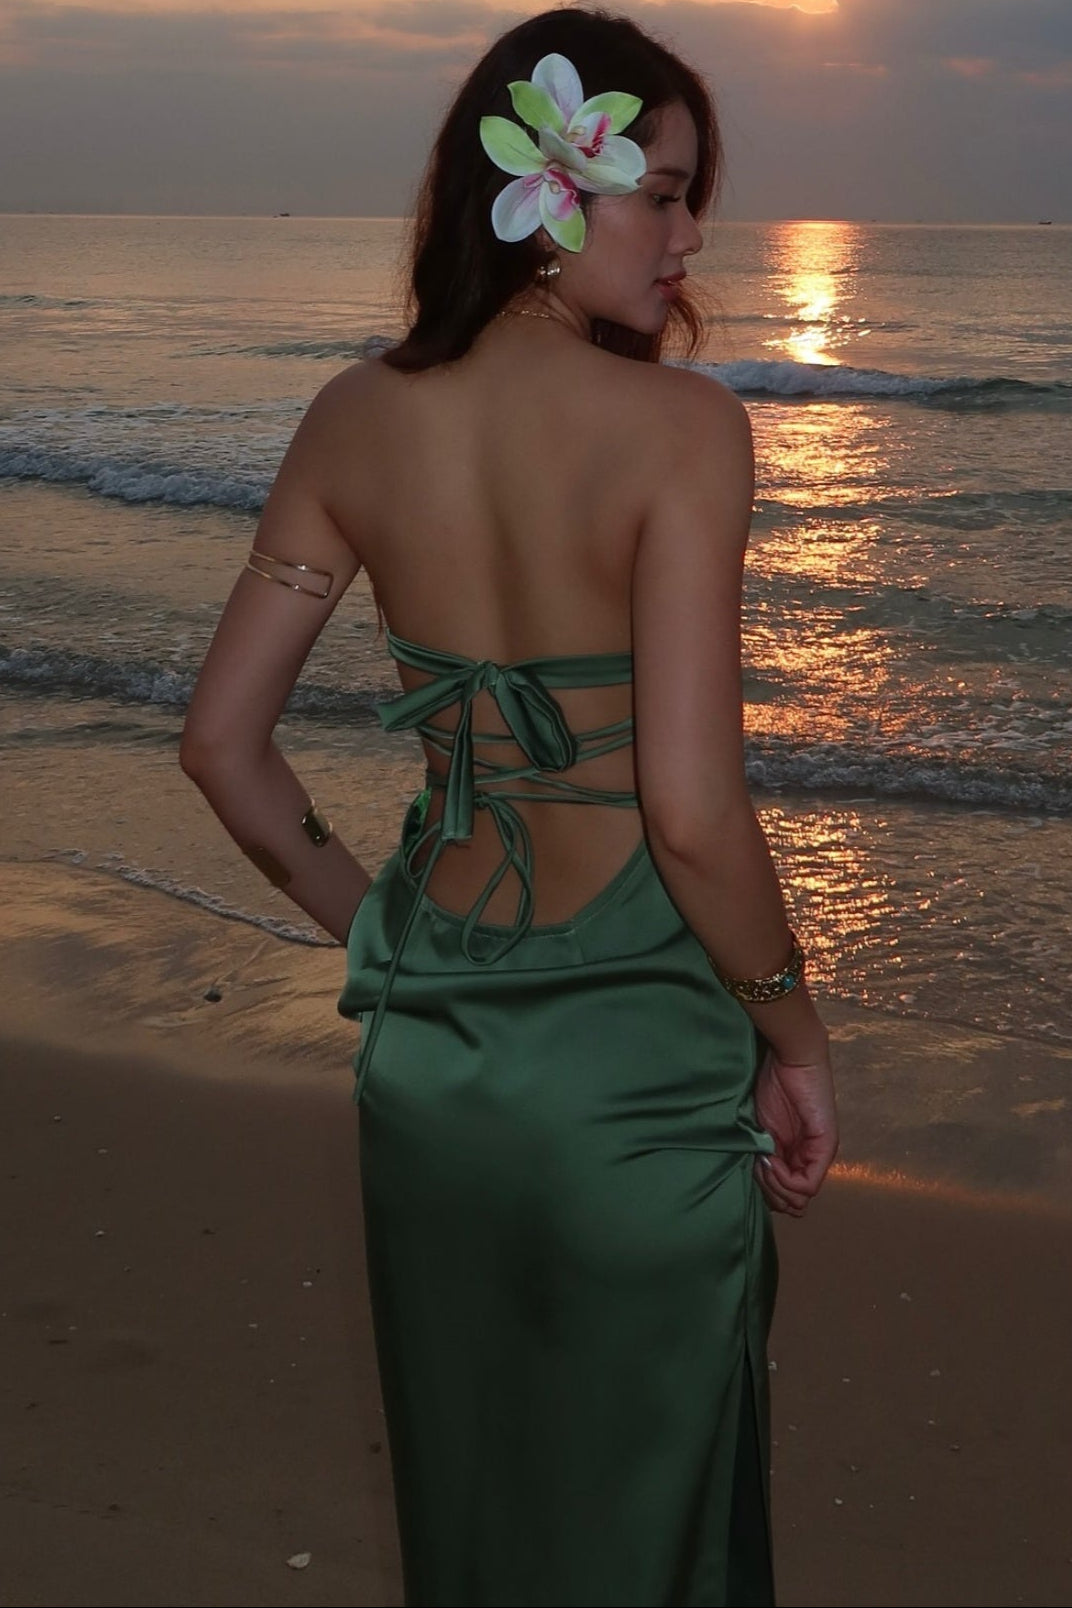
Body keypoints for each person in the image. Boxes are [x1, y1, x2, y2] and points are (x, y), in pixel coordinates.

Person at [180, 7, 838, 1604]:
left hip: (435, 1070)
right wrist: (795, 1033)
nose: (691, 236)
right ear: (551, 196)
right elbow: (690, 813)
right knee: (659, 1534)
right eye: (662, 194)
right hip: (635, 1076)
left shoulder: (354, 418)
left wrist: (382, 933)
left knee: (482, 1521)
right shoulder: (686, 432)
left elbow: (224, 750)